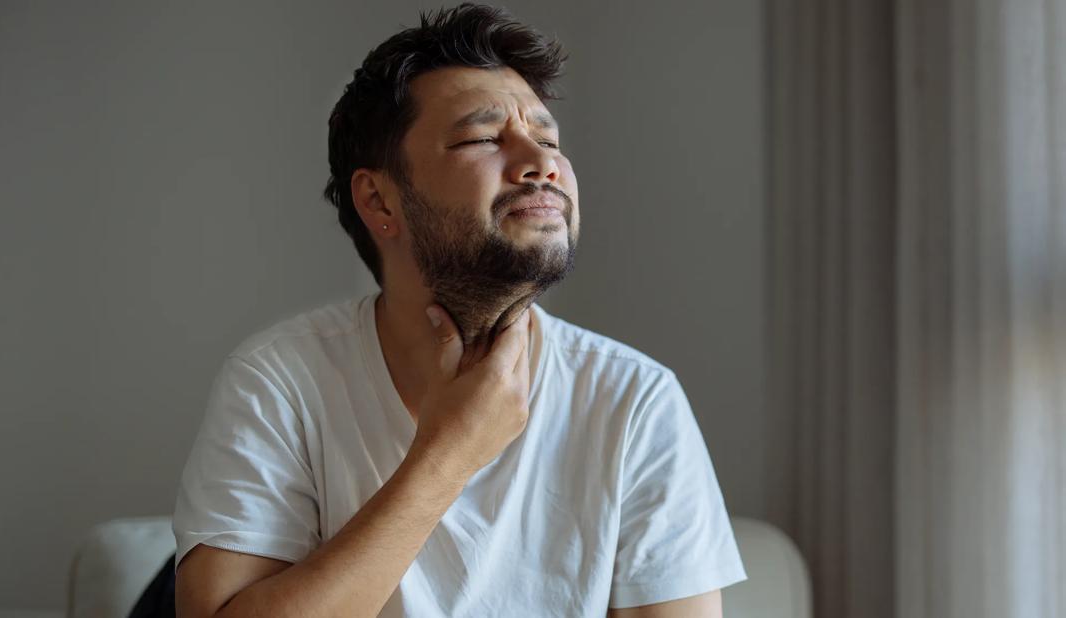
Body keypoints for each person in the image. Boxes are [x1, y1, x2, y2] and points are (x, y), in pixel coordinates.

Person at [171, 3, 746, 617]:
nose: (543, 163)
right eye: (482, 138)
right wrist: (449, 454)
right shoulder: (280, 380)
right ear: (378, 199)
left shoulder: (634, 401)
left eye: (549, 139)